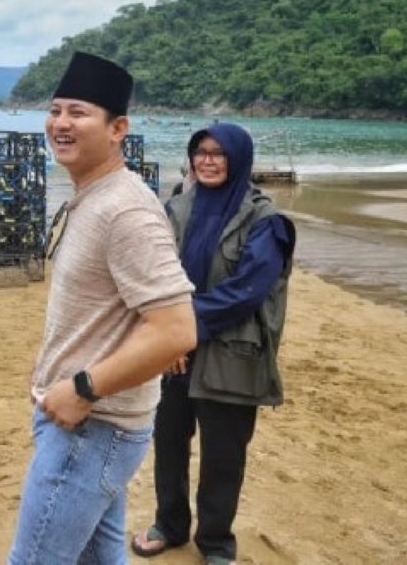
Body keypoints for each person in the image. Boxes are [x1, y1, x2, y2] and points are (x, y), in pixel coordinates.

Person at [8, 52, 197, 564]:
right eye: (55, 110)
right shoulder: (91, 195)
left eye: (79, 113)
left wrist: (81, 387)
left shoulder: (127, 210)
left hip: (93, 427)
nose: (60, 124)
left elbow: (176, 330)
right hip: (84, 422)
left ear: (118, 129)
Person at [131, 123, 295, 565]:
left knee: (223, 456)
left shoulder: (266, 221)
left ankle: (216, 542)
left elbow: (248, 290)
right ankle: (169, 524)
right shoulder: (175, 209)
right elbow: (152, 275)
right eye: (200, 151)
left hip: (230, 353)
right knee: (167, 441)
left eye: (218, 153)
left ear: (238, 160)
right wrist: (167, 336)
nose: (207, 160)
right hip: (173, 353)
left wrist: (183, 329)